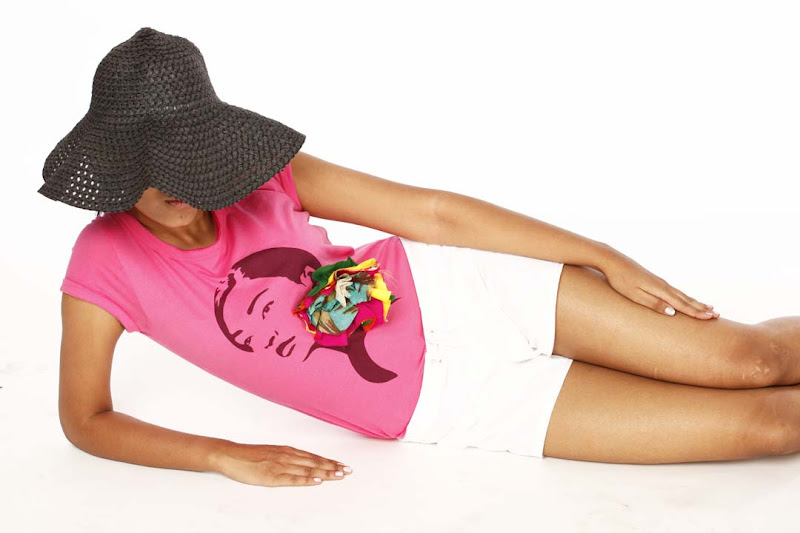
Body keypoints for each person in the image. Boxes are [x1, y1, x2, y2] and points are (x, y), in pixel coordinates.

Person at [41, 27, 800, 489]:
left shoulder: (260, 172)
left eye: (193, 156)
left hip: (460, 294)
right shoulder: (104, 265)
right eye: (155, 164)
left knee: (754, 360)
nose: (179, 182)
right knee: (766, 426)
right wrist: (221, 454)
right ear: (115, 163)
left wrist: (599, 254)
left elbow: (431, 212)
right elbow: (86, 418)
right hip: (448, 403)